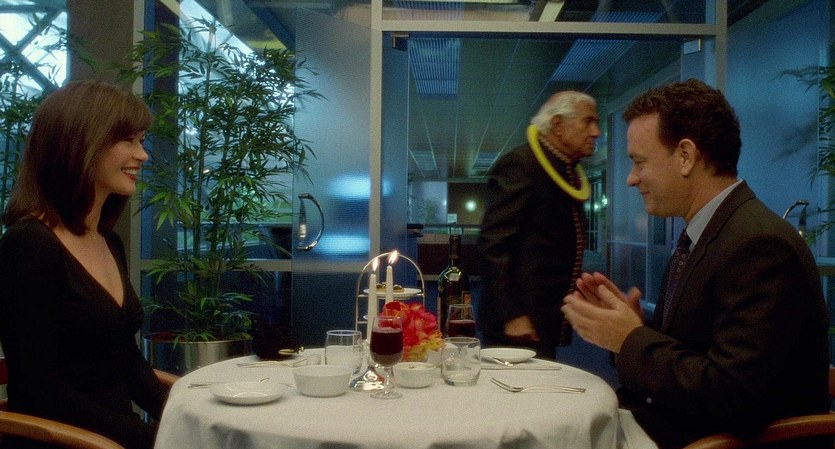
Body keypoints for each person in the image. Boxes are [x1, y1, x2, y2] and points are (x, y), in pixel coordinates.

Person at [561, 79, 830, 449]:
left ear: (686, 156)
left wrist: (630, 339)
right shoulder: (707, 233)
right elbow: (697, 351)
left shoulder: (760, 245)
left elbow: (732, 397)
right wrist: (630, 328)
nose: (631, 178)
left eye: (639, 162)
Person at [0, 80, 169, 449]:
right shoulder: (29, 244)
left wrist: (187, 416)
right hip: (67, 442)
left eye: (141, 141)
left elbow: (125, 360)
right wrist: (151, 438)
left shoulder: (109, 241)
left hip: (114, 438)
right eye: (129, 141)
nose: (143, 155)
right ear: (81, 143)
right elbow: (41, 390)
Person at [478, 91, 601, 359]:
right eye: (588, 122)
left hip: (542, 317)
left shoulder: (563, 168)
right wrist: (512, 314)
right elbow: (494, 245)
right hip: (518, 322)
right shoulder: (521, 165)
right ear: (558, 125)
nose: (596, 132)